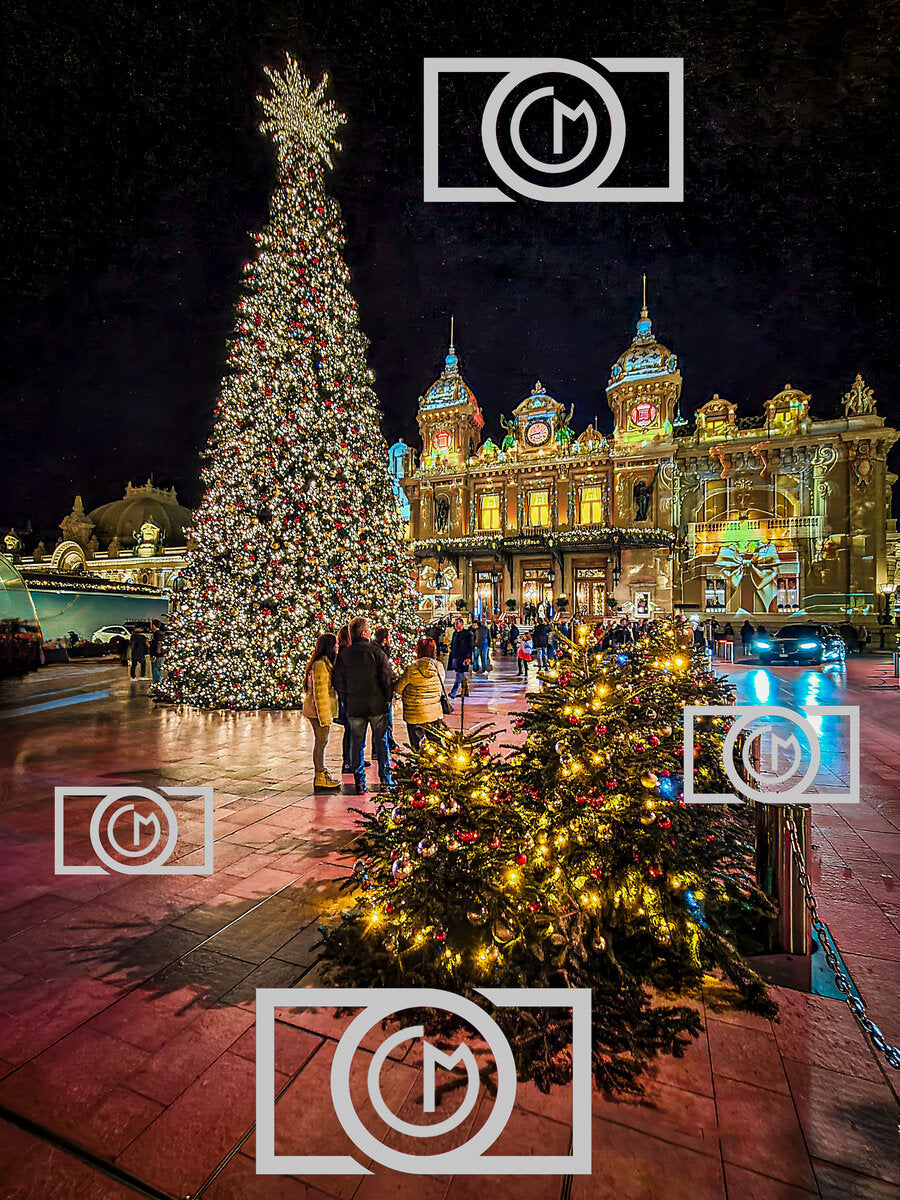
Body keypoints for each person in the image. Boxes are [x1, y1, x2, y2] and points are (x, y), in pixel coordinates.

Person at [332, 617, 394, 794]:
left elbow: (338, 681)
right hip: (376, 706)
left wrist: (347, 698)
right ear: (364, 633)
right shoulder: (376, 652)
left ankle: (360, 782)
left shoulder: (345, 655)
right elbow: (387, 678)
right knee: (382, 743)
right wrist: (385, 698)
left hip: (355, 706)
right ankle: (386, 779)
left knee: (357, 744)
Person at [302, 633, 340, 790]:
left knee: (322, 741)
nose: (337, 647)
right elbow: (320, 693)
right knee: (321, 742)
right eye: (335, 644)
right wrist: (325, 717)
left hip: (317, 710)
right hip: (317, 711)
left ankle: (321, 773)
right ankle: (320, 775)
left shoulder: (323, 663)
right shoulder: (320, 665)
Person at [395, 637, 448, 749]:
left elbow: (399, 688)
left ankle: (419, 764)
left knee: (417, 746)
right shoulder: (439, 667)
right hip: (433, 712)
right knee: (436, 744)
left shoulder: (411, 668)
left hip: (414, 713)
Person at [374, 626, 399, 750]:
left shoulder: (380, 648)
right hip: (382, 691)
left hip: (382, 690)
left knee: (385, 721)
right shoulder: (378, 650)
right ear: (385, 638)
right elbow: (384, 670)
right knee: (385, 721)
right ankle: (386, 745)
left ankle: (389, 742)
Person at [447, 617, 474, 698]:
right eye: (455, 623)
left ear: (462, 624)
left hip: (463, 657)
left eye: (457, 623)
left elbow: (470, 646)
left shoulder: (467, 634)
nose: (455, 625)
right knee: (460, 674)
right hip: (455, 656)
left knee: (460, 674)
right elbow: (453, 643)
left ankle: (453, 692)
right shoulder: (455, 634)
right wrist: (450, 647)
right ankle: (465, 690)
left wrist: (468, 657)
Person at [149, 619, 167, 684]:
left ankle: (157, 684)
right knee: (158, 669)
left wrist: (155, 655)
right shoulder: (161, 633)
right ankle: (158, 683)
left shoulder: (157, 634)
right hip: (160, 655)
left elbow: (157, 645)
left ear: (153, 626)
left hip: (157, 655)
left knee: (156, 670)